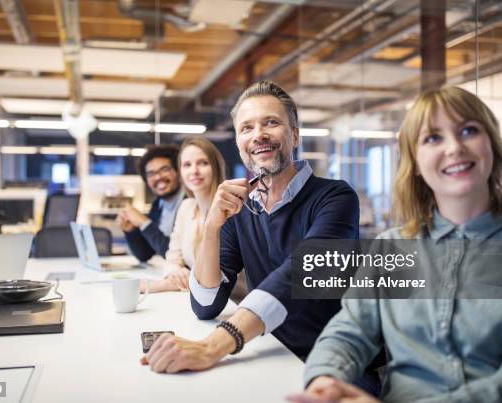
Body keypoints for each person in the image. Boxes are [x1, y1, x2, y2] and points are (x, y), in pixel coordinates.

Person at [291, 86, 502, 402]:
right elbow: (348, 332)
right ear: (416, 163)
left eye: (468, 130)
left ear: (491, 142)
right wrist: (325, 380)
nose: (454, 148)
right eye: (433, 138)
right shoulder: (391, 249)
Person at [141, 81, 364, 380]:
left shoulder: (335, 197)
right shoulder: (241, 207)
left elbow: (299, 271)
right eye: (246, 128)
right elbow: (206, 304)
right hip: (270, 355)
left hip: (334, 364)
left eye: (271, 123)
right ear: (238, 142)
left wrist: (212, 347)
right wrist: (212, 226)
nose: (258, 135)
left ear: (294, 134)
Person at [145, 137, 226, 293]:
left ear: (215, 167)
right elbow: (172, 258)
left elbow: (217, 277)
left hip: (233, 302)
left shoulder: (229, 209)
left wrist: (158, 286)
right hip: (198, 299)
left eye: (203, 163)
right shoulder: (186, 207)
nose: (194, 171)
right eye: (187, 165)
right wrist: (175, 271)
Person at [119, 145, 185, 262]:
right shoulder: (158, 205)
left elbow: (176, 254)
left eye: (165, 169)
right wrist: (131, 231)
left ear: (178, 172)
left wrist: (144, 222)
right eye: (151, 174)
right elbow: (145, 254)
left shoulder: (189, 202)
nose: (158, 177)